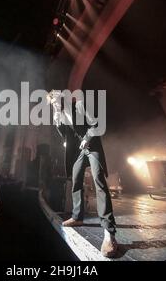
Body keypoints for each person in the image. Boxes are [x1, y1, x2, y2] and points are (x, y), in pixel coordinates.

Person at [46, 90, 117, 258]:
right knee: (75, 180)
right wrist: (57, 120)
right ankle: (77, 216)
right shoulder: (60, 113)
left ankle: (109, 232)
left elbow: (95, 125)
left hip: (92, 146)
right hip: (79, 150)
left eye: (55, 100)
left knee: (98, 180)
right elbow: (65, 135)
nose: (54, 104)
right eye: (52, 103)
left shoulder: (80, 105)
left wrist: (86, 139)